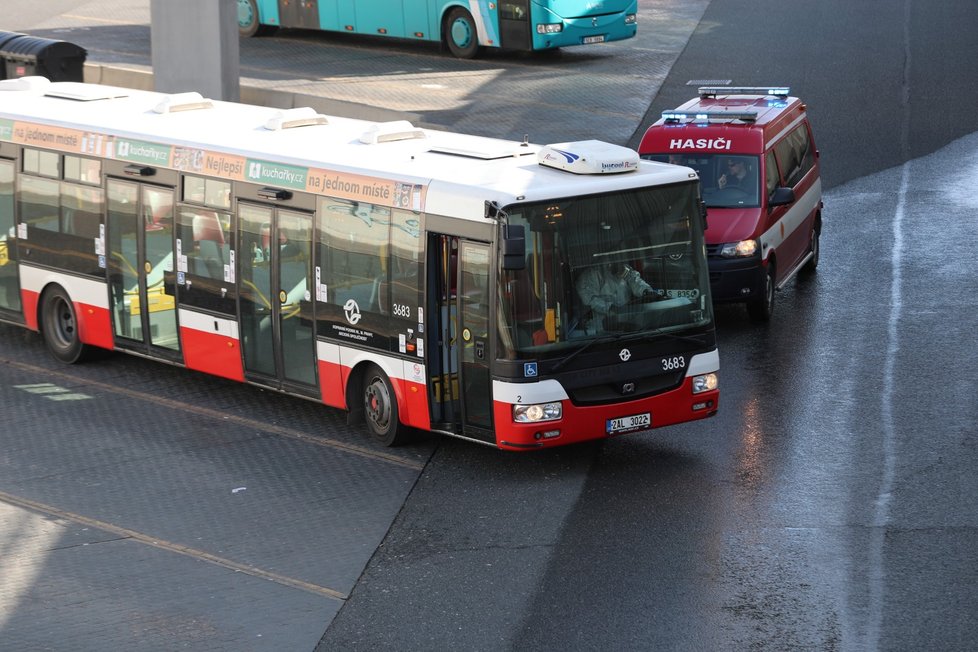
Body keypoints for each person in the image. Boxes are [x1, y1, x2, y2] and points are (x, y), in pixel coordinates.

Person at [576, 261, 657, 331]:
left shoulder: (623, 269)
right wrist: (609, 307)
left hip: (627, 323)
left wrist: (645, 291)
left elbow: (634, 280)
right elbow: (589, 298)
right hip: (601, 329)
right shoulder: (590, 275)